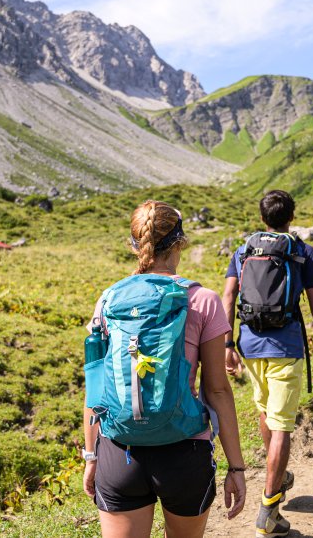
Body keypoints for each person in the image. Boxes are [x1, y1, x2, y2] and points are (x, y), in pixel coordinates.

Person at [82, 200, 246, 538]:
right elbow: (217, 390)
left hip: (119, 452)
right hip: (184, 452)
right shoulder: (202, 300)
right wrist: (236, 466)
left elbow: (95, 386)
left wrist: (91, 456)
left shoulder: (108, 300)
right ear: (180, 243)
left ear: (134, 245)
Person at [222, 189, 313, 537]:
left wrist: (228, 343)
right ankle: (268, 511)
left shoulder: (244, 249)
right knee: (283, 426)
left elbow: (228, 295)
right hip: (286, 345)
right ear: (291, 217)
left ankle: (278, 476)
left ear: (262, 218)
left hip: (249, 344)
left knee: (266, 412)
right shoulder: (302, 250)